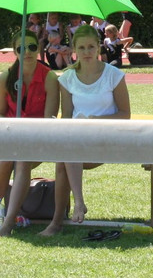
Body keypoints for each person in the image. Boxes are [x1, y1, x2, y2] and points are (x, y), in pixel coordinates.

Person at [38, 25, 130, 237]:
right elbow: (67, 117)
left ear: (98, 47)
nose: (87, 52)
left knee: (66, 154)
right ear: (74, 50)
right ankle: (63, 216)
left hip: (108, 138)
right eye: (81, 47)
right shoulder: (67, 78)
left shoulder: (114, 75)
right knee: (65, 154)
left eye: (90, 47)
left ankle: (65, 214)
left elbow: (125, 114)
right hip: (77, 140)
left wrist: (97, 120)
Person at [0, 29, 59, 237]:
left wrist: (27, 135)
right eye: (21, 48)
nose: (27, 52)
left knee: (21, 160)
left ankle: (9, 222)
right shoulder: (5, 78)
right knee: (4, 161)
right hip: (11, 136)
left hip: (38, 137)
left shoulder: (49, 77)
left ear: (38, 49)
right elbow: (0, 114)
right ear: (15, 51)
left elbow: (50, 119)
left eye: (32, 47)